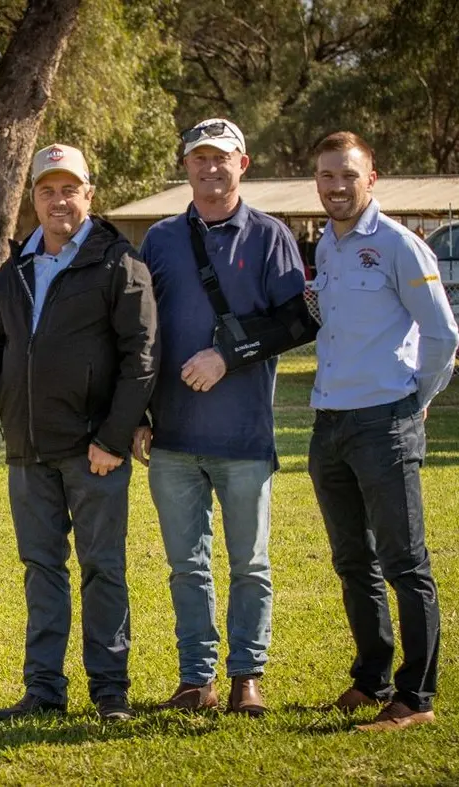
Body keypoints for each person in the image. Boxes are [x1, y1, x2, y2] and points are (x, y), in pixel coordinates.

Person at [0, 144, 158, 721]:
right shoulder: (16, 269)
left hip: (92, 453)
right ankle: (44, 693)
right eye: (46, 190)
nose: (59, 200)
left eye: (69, 189)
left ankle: (110, 692)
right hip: (27, 450)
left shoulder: (118, 263)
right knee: (41, 571)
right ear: (33, 198)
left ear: (89, 194)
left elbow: (142, 358)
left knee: (103, 569)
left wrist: (111, 439)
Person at [133, 119, 311, 717]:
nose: (210, 168)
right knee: (187, 566)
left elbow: (297, 322)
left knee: (250, 564)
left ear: (244, 163)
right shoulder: (158, 240)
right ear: (186, 166)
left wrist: (226, 356)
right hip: (173, 438)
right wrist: (136, 417)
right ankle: (195, 681)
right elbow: (139, 337)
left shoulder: (271, 236)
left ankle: (246, 679)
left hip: (243, 438)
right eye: (199, 158)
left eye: (222, 158)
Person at [308, 131, 457, 731]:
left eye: (347, 175)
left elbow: (443, 337)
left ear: (371, 179)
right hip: (330, 423)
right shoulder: (326, 246)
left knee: (404, 561)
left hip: (384, 422)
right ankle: (370, 680)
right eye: (326, 176)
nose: (337, 187)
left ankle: (415, 699)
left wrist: (411, 403)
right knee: (353, 560)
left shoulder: (400, 246)